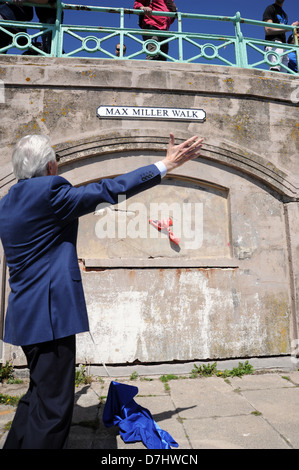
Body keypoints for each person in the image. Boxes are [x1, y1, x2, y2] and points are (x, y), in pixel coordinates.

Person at [0, 132, 203, 449]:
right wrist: (166, 164)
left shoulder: (8, 201)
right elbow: (110, 189)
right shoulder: (51, 193)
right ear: (52, 167)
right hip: (49, 316)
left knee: (38, 393)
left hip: (25, 314)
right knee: (54, 408)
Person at [262, 0, 299, 71]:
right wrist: (289, 28)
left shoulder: (284, 14)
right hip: (273, 43)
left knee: (283, 75)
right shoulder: (270, 8)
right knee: (275, 70)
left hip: (283, 46)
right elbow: (268, 29)